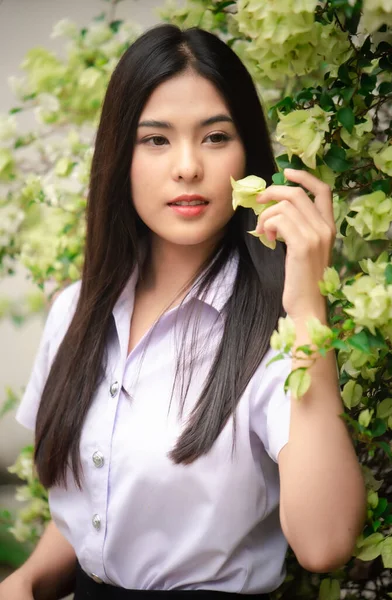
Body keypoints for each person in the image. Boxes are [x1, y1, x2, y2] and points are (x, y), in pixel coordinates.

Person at [0, 23, 366, 600]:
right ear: (120, 155)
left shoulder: (281, 331)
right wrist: (27, 579)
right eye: (156, 139)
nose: (188, 167)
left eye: (216, 137)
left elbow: (324, 545)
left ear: (249, 156)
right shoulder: (75, 311)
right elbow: (100, 499)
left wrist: (305, 308)